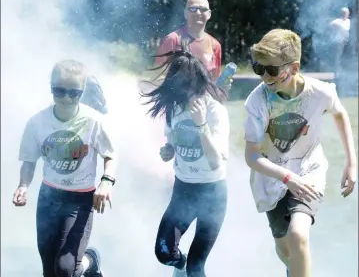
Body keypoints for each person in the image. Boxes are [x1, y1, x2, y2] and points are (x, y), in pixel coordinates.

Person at [243, 29, 357, 277]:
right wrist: (286, 177)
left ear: (294, 68)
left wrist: (352, 162)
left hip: (308, 173)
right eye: (258, 69)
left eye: (271, 70)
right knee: (285, 249)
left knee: (298, 235)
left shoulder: (320, 92)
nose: (264, 77)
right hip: (272, 179)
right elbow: (251, 156)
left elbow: (339, 113)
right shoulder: (257, 101)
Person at [12, 60, 117, 277]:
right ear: (51, 88)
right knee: (50, 272)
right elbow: (29, 160)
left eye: (73, 93)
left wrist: (106, 182)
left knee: (66, 269)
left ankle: (91, 262)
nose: (66, 98)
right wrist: (23, 185)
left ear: (82, 91)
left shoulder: (93, 121)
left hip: (80, 200)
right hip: (49, 198)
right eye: (59, 91)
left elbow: (111, 154)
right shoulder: (37, 122)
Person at [141, 50, 229, 277]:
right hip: (183, 189)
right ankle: (181, 268)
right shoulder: (174, 108)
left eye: (188, 89)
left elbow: (215, 162)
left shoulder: (215, 111)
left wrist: (201, 125)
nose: (186, 96)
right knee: (164, 252)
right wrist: (168, 150)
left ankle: (189, 270)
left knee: (196, 267)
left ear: (198, 84)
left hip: (212, 193)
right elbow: (172, 141)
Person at [155, 0, 224, 84]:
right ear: (185, 13)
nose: (198, 13)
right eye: (193, 9)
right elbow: (158, 76)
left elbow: (215, 80)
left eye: (203, 9)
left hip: (205, 97)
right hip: (177, 97)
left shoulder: (215, 45)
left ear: (209, 14)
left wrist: (223, 87)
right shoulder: (172, 40)